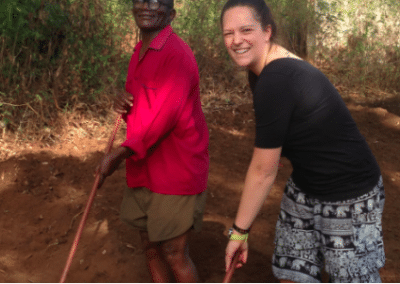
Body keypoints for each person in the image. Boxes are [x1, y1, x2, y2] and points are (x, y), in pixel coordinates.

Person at [221, 0, 385, 283]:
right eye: (228, 33)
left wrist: (239, 232)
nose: (236, 40)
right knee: (292, 274)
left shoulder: (276, 78)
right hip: (306, 186)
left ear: (267, 31)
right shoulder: (260, 73)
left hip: (349, 193)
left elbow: (264, 170)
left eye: (246, 30)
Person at [95, 0, 209, 282]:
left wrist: (116, 156)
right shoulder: (139, 51)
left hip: (176, 169)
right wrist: (123, 100)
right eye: (141, 0)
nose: (147, 5)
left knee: (173, 252)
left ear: (171, 14)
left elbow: (162, 120)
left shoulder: (177, 55)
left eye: (157, 1)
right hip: (144, 166)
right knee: (149, 246)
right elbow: (141, 100)